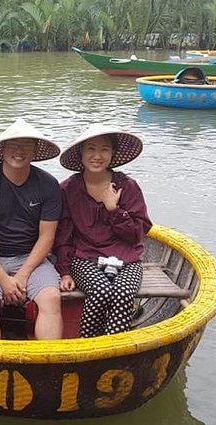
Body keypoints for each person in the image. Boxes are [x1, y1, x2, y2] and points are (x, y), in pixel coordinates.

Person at [0, 118, 63, 340]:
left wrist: (24, 274)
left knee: (51, 297)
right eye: (14, 145)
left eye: (27, 145)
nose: (19, 151)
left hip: (33, 258)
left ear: (35, 150)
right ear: (3, 149)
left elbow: (47, 237)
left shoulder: (48, 184)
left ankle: (48, 363)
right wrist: (3, 278)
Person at [53, 124, 152, 338]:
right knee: (100, 291)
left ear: (113, 154)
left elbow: (137, 234)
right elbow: (63, 235)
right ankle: (87, 343)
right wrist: (65, 271)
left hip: (126, 260)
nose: (97, 156)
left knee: (124, 294)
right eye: (91, 149)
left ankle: (112, 347)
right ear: (81, 154)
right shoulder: (68, 189)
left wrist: (113, 210)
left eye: (104, 149)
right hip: (85, 258)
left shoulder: (128, 186)